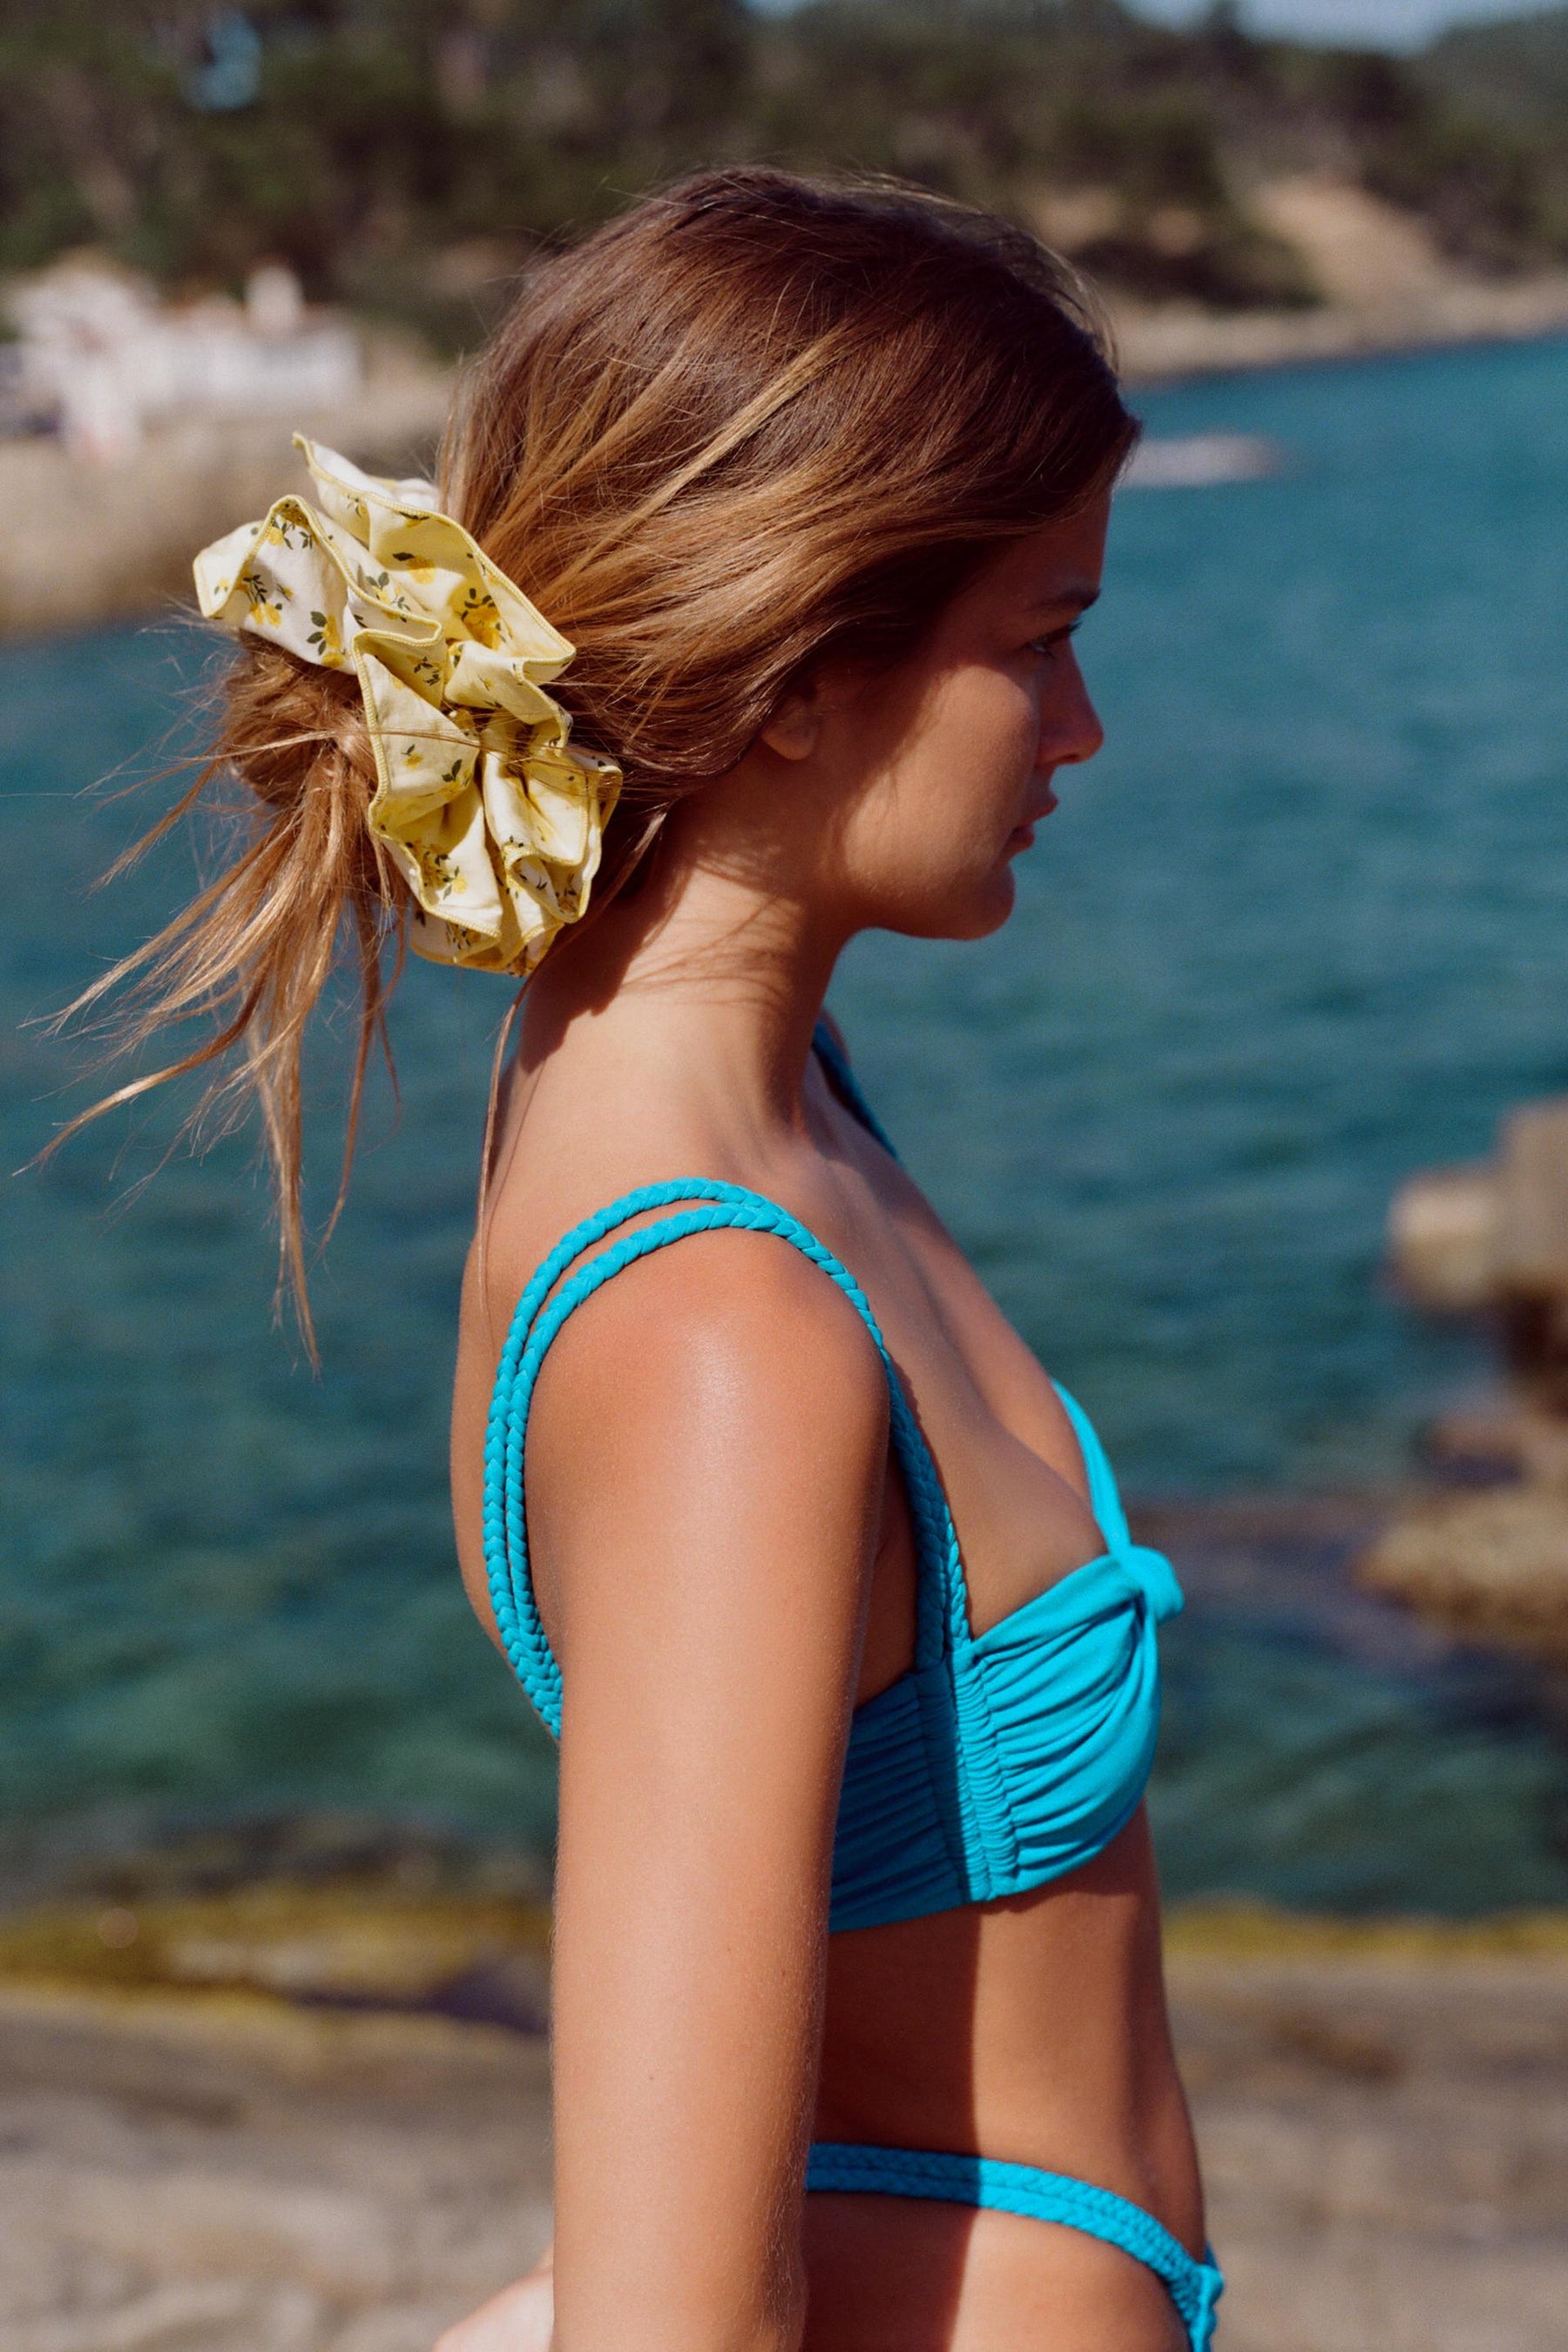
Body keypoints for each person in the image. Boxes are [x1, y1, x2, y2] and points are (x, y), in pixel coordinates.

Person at [76, 169, 1218, 2351]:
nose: (1082, 731)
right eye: (1038, 641)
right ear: (797, 679)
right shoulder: (722, 1332)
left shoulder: (764, 1106)